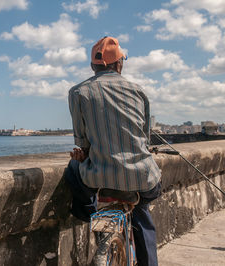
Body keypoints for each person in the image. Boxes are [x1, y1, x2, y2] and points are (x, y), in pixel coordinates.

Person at [65, 36, 162, 266]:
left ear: (93, 67)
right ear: (119, 64)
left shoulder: (78, 92)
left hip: (100, 179)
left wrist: (84, 155)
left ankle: (90, 215)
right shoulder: (139, 92)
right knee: (142, 210)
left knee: (73, 170)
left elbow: (82, 143)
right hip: (142, 179)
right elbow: (144, 138)